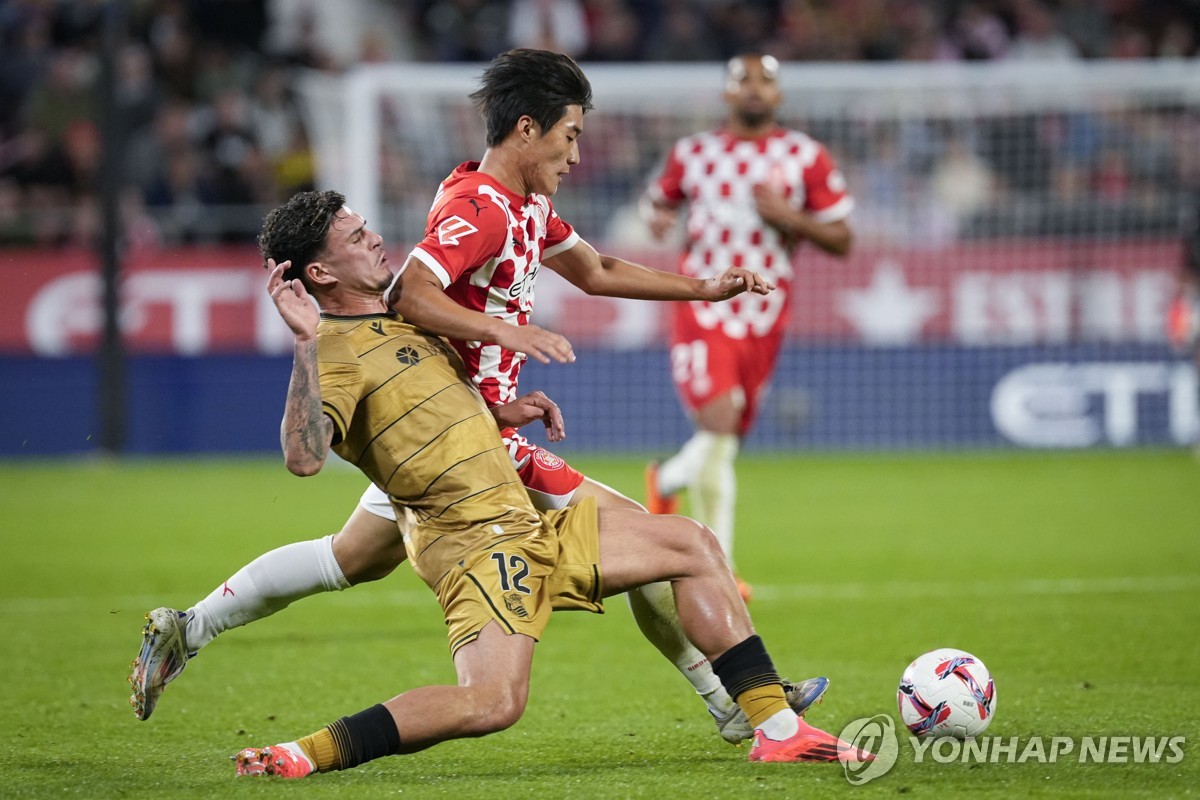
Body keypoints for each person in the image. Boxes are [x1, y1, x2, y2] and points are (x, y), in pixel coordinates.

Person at [130, 49, 829, 744]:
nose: (576, 154)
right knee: (664, 544)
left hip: (463, 421)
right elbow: (410, 292)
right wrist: (503, 333)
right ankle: (730, 698)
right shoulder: (479, 208)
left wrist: (702, 287)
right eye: (570, 135)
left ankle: (190, 628)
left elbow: (595, 268)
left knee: (347, 558)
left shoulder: (527, 205)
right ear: (528, 128)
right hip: (468, 442)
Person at [232, 193, 871, 776]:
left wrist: (503, 412)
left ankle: (775, 727)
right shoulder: (334, 349)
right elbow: (303, 457)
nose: (374, 239)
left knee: (689, 544)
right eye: (355, 236)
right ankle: (298, 753)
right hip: (476, 548)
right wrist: (306, 343)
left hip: (525, 522)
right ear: (319, 274)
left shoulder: (403, 325)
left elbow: (433, 408)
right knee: (491, 702)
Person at [641, 53, 855, 600]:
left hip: (765, 313)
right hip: (704, 303)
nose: (756, 90)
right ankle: (721, 569)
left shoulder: (804, 155)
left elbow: (843, 239)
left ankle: (664, 480)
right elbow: (658, 202)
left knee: (725, 440)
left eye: (766, 81)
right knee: (718, 425)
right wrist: (659, 218)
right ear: (727, 95)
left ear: (778, 95)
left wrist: (790, 219)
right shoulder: (693, 154)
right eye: (744, 82)